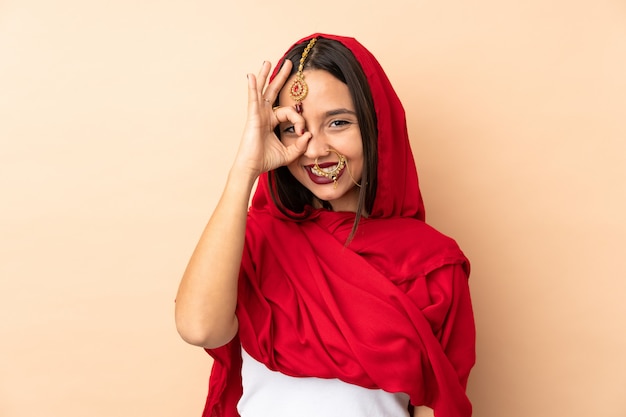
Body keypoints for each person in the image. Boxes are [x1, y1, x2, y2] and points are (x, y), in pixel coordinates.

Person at [175, 33, 476, 417]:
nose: (315, 150)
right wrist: (245, 168)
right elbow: (199, 329)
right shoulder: (252, 241)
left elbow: (436, 405)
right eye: (292, 129)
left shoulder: (434, 263)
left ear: (375, 125)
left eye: (337, 122)